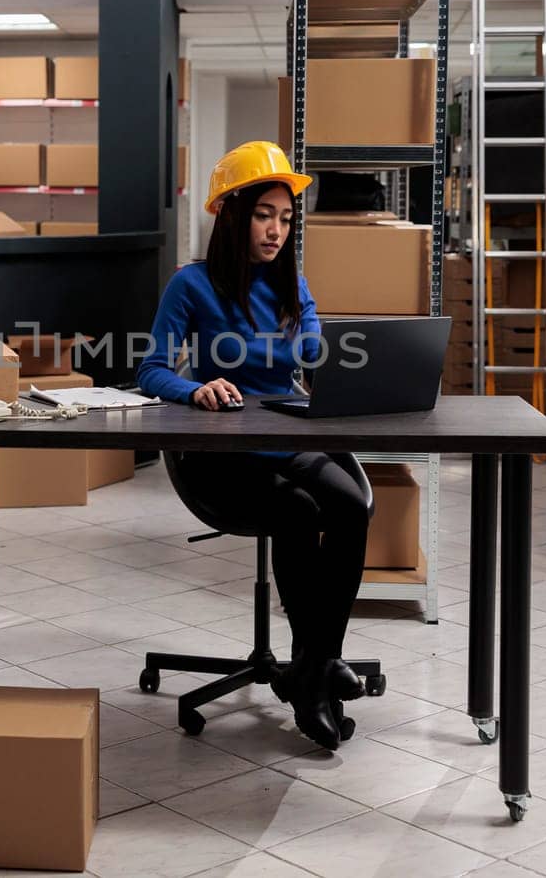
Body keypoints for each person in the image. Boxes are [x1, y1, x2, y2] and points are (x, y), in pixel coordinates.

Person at [137, 141, 369, 751]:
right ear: (233, 215)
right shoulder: (191, 285)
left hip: (288, 435)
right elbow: (151, 371)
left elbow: (317, 348)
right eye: (265, 214)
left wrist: (346, 363)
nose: (276, 229)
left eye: (287, 218)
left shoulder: (293, 282)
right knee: (299, 511)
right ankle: (314, 683)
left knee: (352, 504)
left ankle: (313, 664)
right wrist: (196, 388)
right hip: (220, 455)